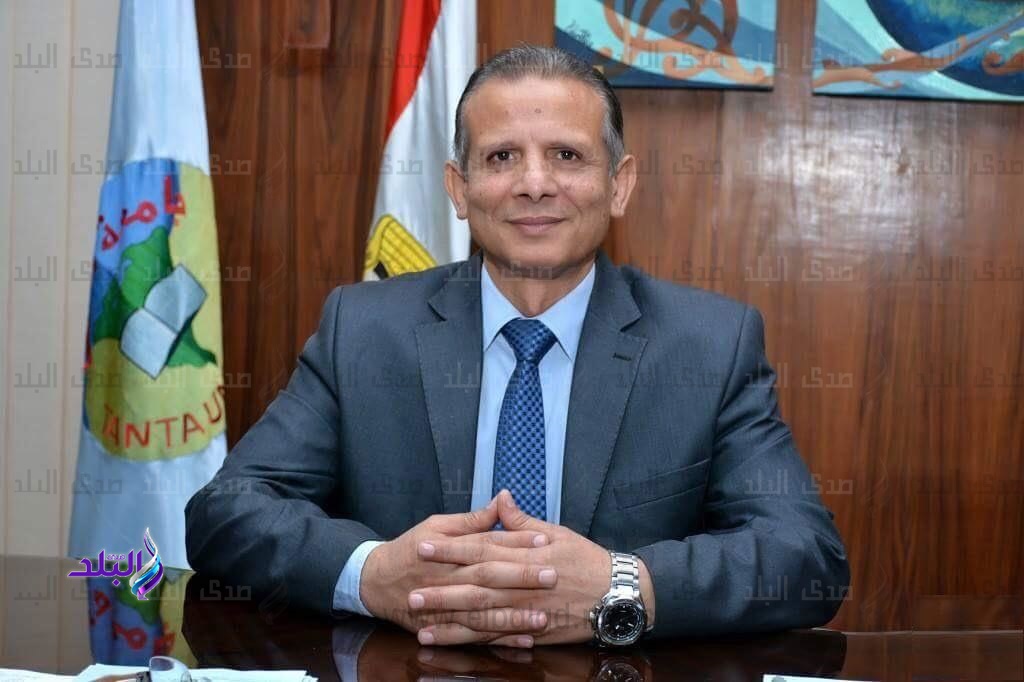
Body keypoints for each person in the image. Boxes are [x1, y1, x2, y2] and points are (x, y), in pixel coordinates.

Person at [186, 44, 850, 648]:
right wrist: (373, 573)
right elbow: (225, 512)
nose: (534, 183)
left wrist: (622, 585)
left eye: (567, 155)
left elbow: (807, 557)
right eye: (502, 157)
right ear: (459, 189)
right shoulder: (362, 330)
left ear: (618, 184)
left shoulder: (708, 346)